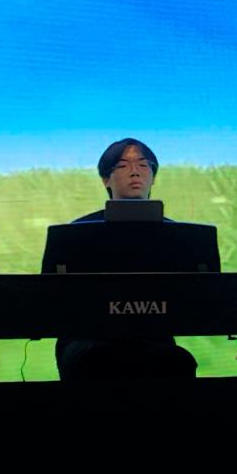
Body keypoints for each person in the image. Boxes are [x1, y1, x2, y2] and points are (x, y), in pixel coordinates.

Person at [54, 137, 199, 381]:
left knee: (176, 362)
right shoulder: (76, 233)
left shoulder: (178, 235)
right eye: (122, 165)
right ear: (105, 179)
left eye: (143, 165)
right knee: (98, 360)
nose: (135, 171)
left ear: (153, 177)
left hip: (153, 338)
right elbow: (54, 296)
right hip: (86, 338)